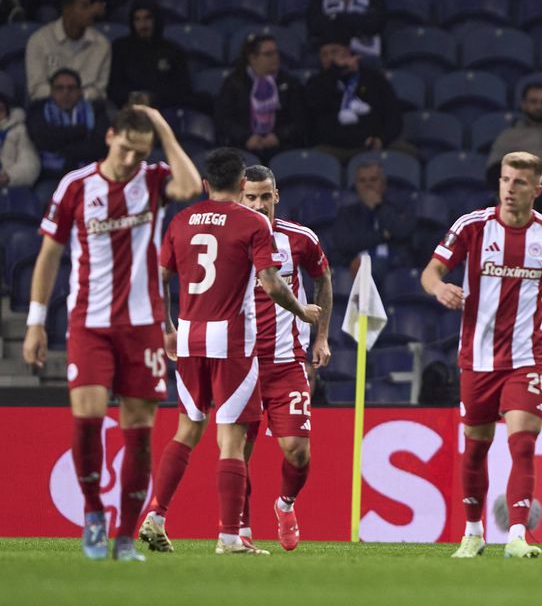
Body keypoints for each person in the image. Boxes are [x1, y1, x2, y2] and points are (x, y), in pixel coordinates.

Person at [22, 105, 202, 561]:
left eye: (139, 154)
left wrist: (162, 126)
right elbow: (48, 256)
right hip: (90, 322)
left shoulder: (155, 178)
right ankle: (94, 516)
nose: (129, 162)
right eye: (124, 150)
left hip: (143, 327)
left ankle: (125, 537)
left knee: (139, 427)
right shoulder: (76, 187)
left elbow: (191, 186)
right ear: (109, 136)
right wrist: (36, 322)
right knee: (88, 415)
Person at [139, 164, 332, 554]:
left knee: (297, 448)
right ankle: (236, 532)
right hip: (240, 354)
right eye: (252, 197)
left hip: (282, 358)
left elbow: (322, 279)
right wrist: (300, 310)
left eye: (266, 197)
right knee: (236, 445)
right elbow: (271, 282)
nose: (259, 205)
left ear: (277, 196)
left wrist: (322, 336)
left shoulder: (300, 239)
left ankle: (284, 505)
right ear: (240, 193)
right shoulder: (235, 228)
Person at [422, 151, 542, 559]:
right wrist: (439, 288)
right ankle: (473, 533)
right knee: (476, 447)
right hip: (477, 358)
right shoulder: (472, 226)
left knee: (522, 444)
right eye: (506, 180)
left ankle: (517, 536)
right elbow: (430, 272)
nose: (510, 189)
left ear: (536, 190)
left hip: (528, 358)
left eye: (520, 183)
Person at [485, 82, 542, 227]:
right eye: (533, 102)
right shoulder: (509, 136)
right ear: (524, 104)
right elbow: (494, 171)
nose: (539, 106)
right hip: (532, 189)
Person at [304, 33, 401, 162]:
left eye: (334, 52)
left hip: (369, 146)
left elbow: (393, 115)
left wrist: (381, 139)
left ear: (349, 52)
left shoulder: (374, 80)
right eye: (324, 55)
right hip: (330, 148)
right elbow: (314, 106)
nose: (329, 58)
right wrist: (334, 71)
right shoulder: (317, 82)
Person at [214, 34, 307, 162]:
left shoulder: (290, 83)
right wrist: (246, 137)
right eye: (268, 54)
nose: (276, 58)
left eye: (276, 53)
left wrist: (278, 136)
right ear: (253, 58)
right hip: (243, 146)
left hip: (281, 146)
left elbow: (300, 120)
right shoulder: (234, 83)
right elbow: (223, 119)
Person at [110, 0, 207, 110]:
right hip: (130, 110)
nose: (143, 25)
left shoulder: (173, 50)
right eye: (137, 19)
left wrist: (154, 98)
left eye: (148, 18)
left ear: (156, 19)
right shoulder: (120, 48)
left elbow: (183, 88)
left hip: (166, 109)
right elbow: (114, 88)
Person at [26, 67, 111, 180]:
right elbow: (43, 140)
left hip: (90, 175)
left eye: (71, 88)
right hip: (50, 176)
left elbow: (99, 146)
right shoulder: (37, 110)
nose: (65, 93)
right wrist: (80, 131)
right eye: (59, 88)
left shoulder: (96, 110)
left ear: (80, 91)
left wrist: (62, 146)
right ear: (51, 91)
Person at [25, 0, 110, 103]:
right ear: (67, 10)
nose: (91, 12)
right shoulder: (39, 40)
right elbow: (36, 90)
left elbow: (100, 91)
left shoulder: (102, 44)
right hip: (47, 104)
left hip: (87, 105)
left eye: (91, 7)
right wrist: (63, 95)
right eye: (84, 7)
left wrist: (77, 96)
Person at [329, 161, 414, 269]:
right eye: (362, 181)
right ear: (356, 186)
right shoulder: (346, 213)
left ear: (383, 184)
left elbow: (402, 231)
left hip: (394, 264)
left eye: (373, 180)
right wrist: (383, 235)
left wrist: (379, 206)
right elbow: (345, 243)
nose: (368, 185)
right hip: (358, 264)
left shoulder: (400, 206)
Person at [0, 92, 41, 187]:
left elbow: (30, 164)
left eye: (0, 110)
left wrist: (8, 177)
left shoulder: (18, 130)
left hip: (8, 189)